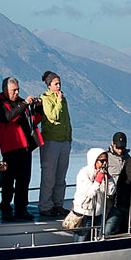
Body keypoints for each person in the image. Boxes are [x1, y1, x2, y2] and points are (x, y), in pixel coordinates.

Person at [0, 76, 43, 221]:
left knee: (24, 181)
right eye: (13, 90)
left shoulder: (21, 102)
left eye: (17, 90)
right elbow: (7, 117)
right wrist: (24, 105)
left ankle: (21, 209)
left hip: (25, 148)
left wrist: (38, 107)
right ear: (5, 90)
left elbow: (33, 121)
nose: (16, 93)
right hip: (10, 148)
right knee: (8, 181)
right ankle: (6, 207)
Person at [38, 71, 73, 217]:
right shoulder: (45, 99)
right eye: (56, 84)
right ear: (49, 85)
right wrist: (58, 101)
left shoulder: (62, 98)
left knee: (61, 176)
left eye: (59, 83)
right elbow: (53, 116)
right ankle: (45, 205)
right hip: (51, 140)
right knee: (49, 175)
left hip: (64, 140)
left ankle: (58, 204)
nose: (59, 86)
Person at [70, 148, 114, 242]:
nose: (104, 163)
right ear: (94, 160)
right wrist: (98, 181)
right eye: (101, 161)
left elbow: (111, 191)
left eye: (106, 161)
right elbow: (90, 193)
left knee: (95, 241)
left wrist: (109, 179)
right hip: (83, 214)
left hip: (98, 214)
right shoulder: (84, 173)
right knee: (80, 242)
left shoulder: (104, 174)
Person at [104, 132, 131, 235]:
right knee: (109, 224)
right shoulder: (105, 157)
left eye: (122, 148)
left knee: (124, 225)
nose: (120, 150)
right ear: (112, 144)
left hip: (125, 196)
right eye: (118, 148)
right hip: (111, 197)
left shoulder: (128, 158)